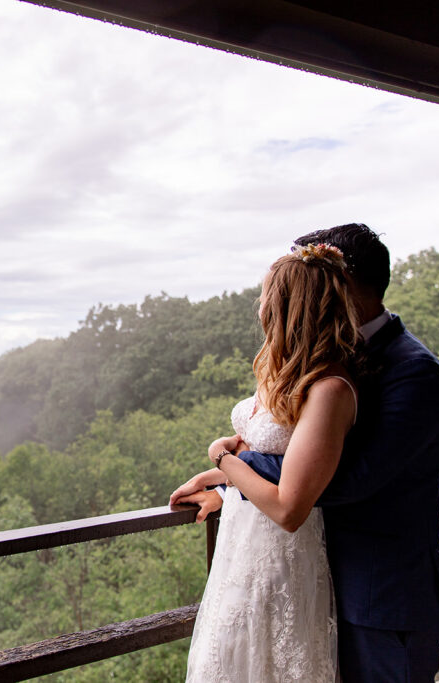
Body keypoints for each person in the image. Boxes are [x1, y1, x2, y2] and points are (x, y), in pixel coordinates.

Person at [177, 224, 439, 682]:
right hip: (314, 585)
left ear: (340, 283)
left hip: (381, 600)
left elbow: (346, 478)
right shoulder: (322, 356)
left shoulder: (414, 373)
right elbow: (299, 449)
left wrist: (231, 470)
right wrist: (232, 494)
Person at [171, 240, 359, 681]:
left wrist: (222, 458)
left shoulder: (329, 389)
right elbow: (272, 457)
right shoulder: (283, 372)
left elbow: (289, 509)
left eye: (266, 296)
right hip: (240, 545)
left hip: (282, 557)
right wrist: (224, 488)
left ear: (289, 306)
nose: (259, 306)